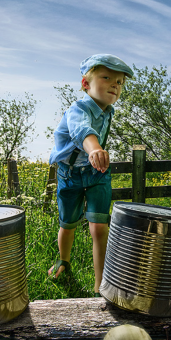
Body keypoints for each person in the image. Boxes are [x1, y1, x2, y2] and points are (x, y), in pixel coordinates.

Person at [47, 54, 134, 296]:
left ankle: (101, 283)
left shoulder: (109, 111)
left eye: (119, 82)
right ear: (86, 84)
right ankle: (63, 261)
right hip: (70, 174)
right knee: (68, 222)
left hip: (97, 173)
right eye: (107, 78)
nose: (115, 85)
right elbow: (81, 130)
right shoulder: (78, 108)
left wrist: (97, 156)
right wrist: (95, 148)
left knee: (99, 226)